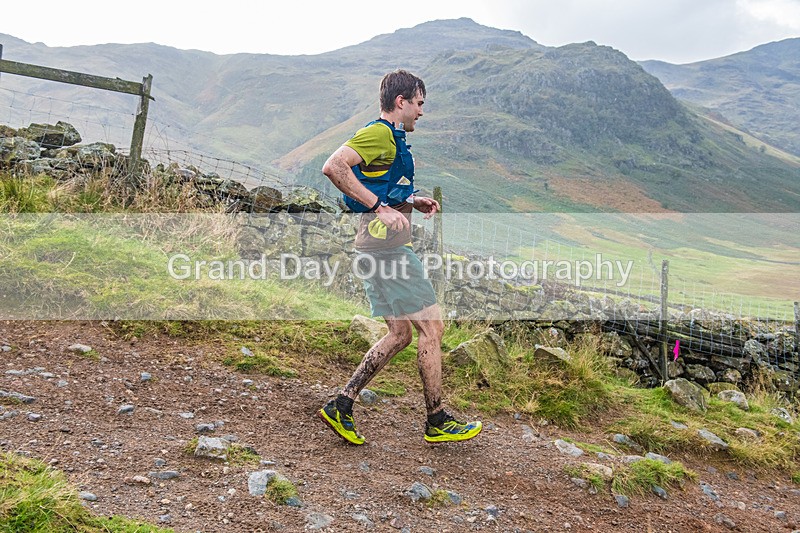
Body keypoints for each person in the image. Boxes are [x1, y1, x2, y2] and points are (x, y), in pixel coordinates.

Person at [317, 69, 482, 445]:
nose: (421, 112)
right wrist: (378, 207)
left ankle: (341, 405)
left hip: (371, 247)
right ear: (401, 102)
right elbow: (333, 166)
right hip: (388, 250)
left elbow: (380, 183)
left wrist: (408, 201)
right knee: (432, 328)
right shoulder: (379, 133)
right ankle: (437, 419)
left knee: (400, 333)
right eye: (419, 104)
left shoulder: (394, 140)